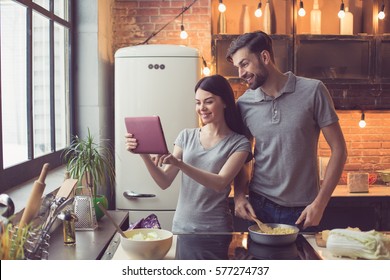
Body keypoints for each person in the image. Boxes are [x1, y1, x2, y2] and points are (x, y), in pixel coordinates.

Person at [226, 31, 348, 230]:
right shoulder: (244, 104)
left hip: (304, 211)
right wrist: (239, 197)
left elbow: (339, 150)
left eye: (244, 64)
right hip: (259, 208)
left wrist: (320, 203)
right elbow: (243, 158)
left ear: (265, 57)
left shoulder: (313, 91)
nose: (240, 74)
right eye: (237, 67)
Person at [125, 74, 252, 233]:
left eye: (209, 102)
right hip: (181, 227)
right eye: (198, 103)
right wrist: (142, 152)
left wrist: (180, 164)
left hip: (216, 229)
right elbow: (164, 181)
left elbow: (220, 183)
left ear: (225, 102)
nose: (202, 108)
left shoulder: (239, 143)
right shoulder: (186, 136)